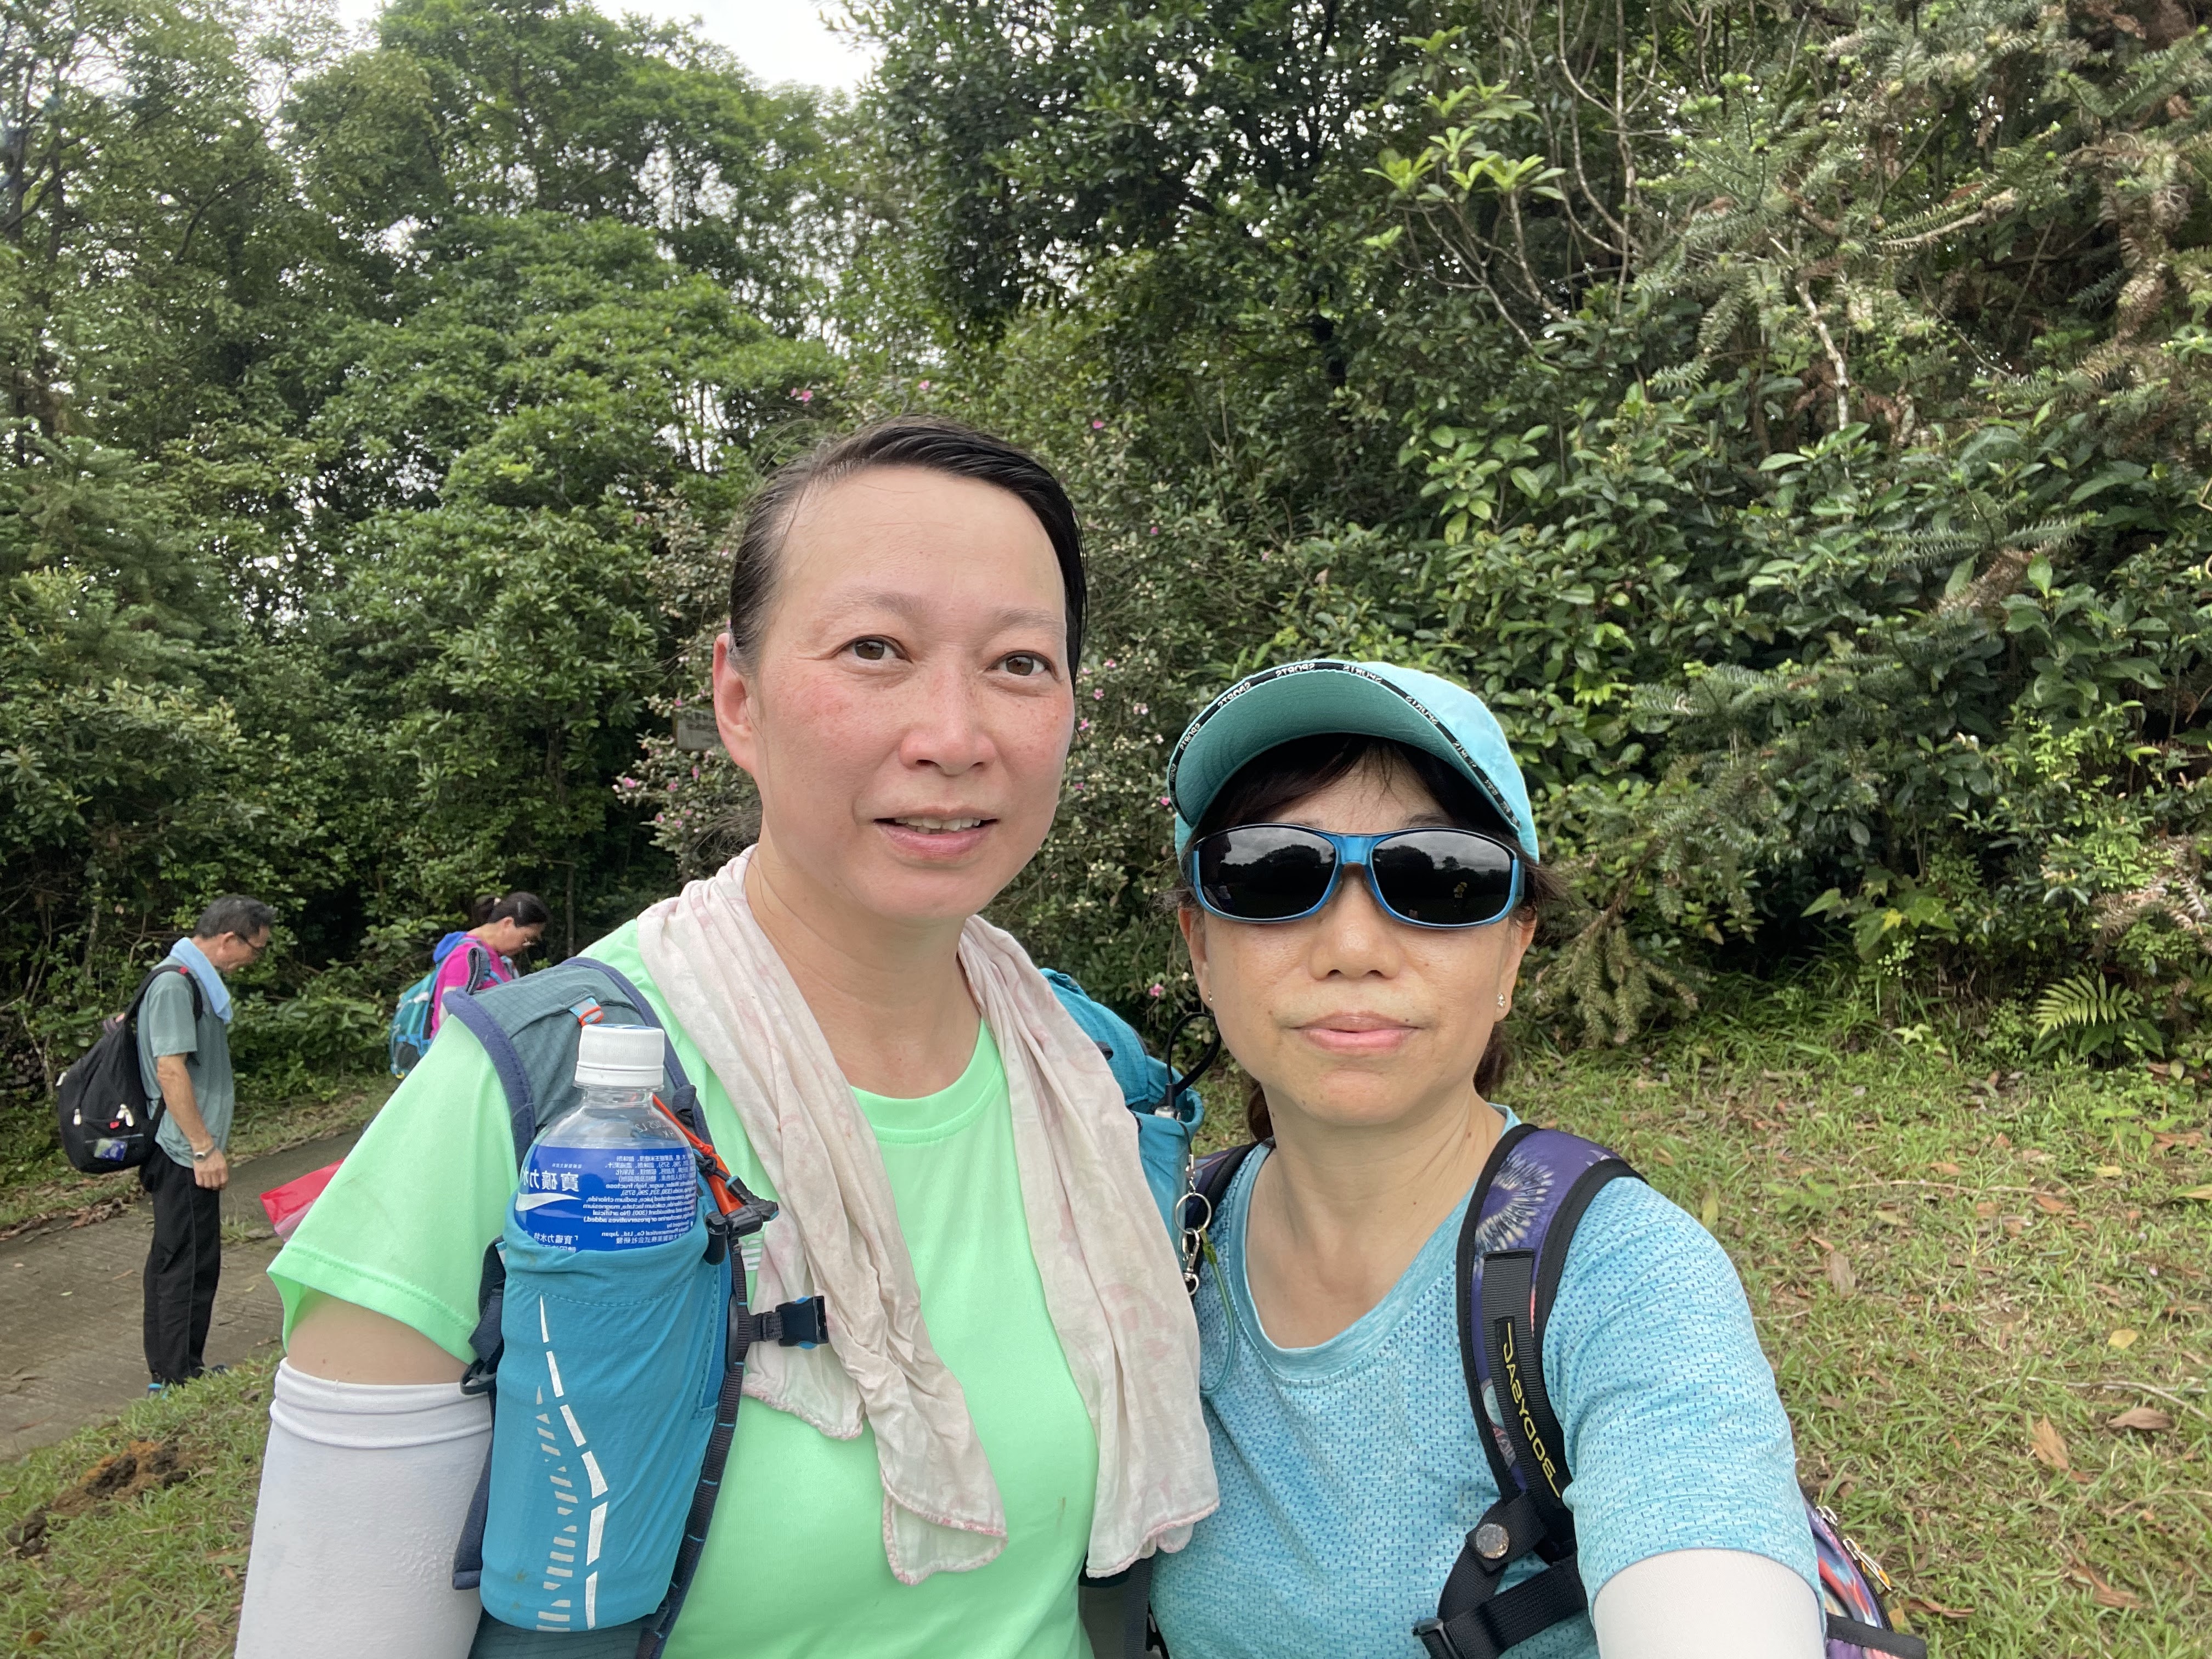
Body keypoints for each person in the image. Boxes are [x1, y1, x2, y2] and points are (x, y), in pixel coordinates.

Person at [235, 418, 1215, 1659]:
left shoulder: (1091, 1077)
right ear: (738, 699)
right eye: (875, 649)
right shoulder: (524, 1098)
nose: (955, 735)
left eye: (1020, 663)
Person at [1148, 661, 1824, 1659]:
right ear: (1201, 948)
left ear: (1513, 951)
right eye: (1272, 872)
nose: (1352, 945)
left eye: (1438, 878)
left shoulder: (1623, 1278)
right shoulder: (1160, 1245)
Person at [138, 894, 275, 1391]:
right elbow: (170, 1071)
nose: (254, 960)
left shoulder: (195, 982)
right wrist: (203, 1148)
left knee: (182, 1256)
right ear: (229, 939)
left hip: (185, 1147)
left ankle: (174, 1369)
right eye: (256, 950)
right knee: (187, 1262)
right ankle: (177, 1375)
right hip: (182, 1150)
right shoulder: (176, 985)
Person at [424, 891, 550, 1035]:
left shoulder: (498, 959)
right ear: (508, 924)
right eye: (528, 938)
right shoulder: (468, 956)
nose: (527, 945)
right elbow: (448, 1018)